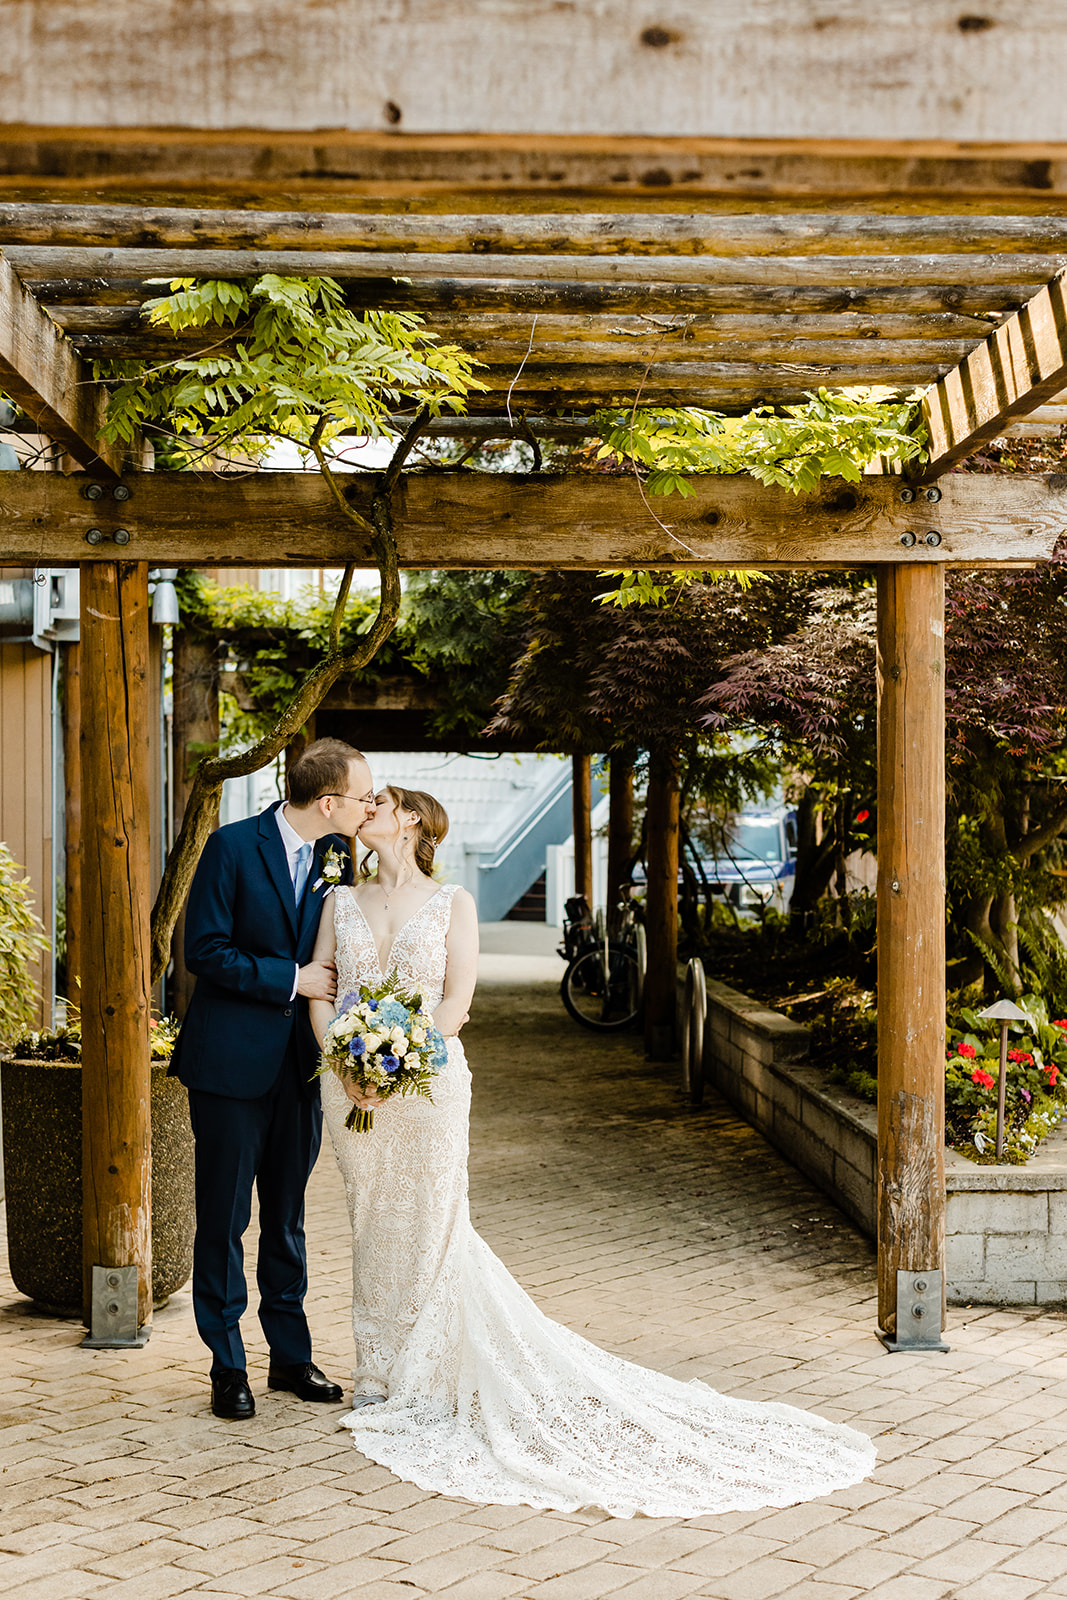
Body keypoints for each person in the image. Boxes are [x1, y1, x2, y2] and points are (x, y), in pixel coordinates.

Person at [309, 784, 877, 1518]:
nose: (367, 809)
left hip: (425, 1081)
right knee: (370, 1220)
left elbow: (457, 1002)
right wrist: (346, 1060)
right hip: (346, 1083)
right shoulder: (338, 903)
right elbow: (321, 991)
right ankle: (376, 1367)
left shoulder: (453, 903)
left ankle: (420, 1370)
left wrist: (398, 1062)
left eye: (380, 801)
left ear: (411, 820)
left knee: (429, 1220)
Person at [170, 737, 376, 1420]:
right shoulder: (231, 847)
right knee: (224, 1221)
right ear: (327, 801)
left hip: (300, 1066)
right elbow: (202, 949)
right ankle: (227, 1365)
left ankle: (290, 1357)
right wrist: (290, 978)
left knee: (286, 1220)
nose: (367, 805)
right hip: (228, 1066)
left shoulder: (339, 859)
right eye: (361, 796)